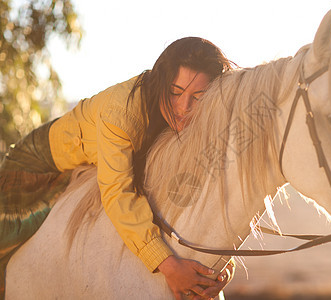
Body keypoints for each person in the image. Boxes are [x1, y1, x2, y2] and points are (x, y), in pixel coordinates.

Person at [0, 37, 235, 299]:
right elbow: (117, 193)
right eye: (175, 92)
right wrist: (169, 266)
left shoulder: (197, 117)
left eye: (199, 96)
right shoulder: (120, 112)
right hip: (37, 167)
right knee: (8, 240)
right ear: (160, 82)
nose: (184, 107)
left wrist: (218, 262)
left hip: (83, 175)